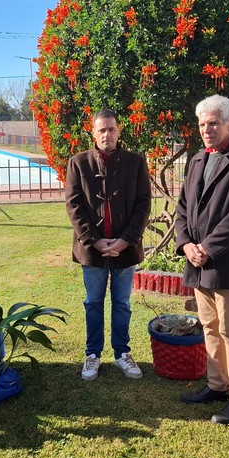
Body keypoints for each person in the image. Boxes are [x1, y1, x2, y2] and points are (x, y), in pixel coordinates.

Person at [175, 94, 229, 425]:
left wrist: (208, 248)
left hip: (225, 262)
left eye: (213, 123)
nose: (207, 129)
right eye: (202, 124)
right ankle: (217, 384)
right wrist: (186, 244)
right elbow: (183, 207)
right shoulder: (198, 159)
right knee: (209, 326)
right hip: (197, 260)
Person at [65, 109, 151, 381]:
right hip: (93, 249)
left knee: (122, 303)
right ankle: (92, 354)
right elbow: (74, 205)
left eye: (111, 129)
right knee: (93, 302)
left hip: (125, 249)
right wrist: (94, 239)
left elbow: (143, 205)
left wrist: (126, 240)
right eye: (101, 130)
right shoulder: (79, 163)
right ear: (93, 133)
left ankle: (122, 352)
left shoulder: (135, 163)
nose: (107, 135)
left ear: (119, 131)